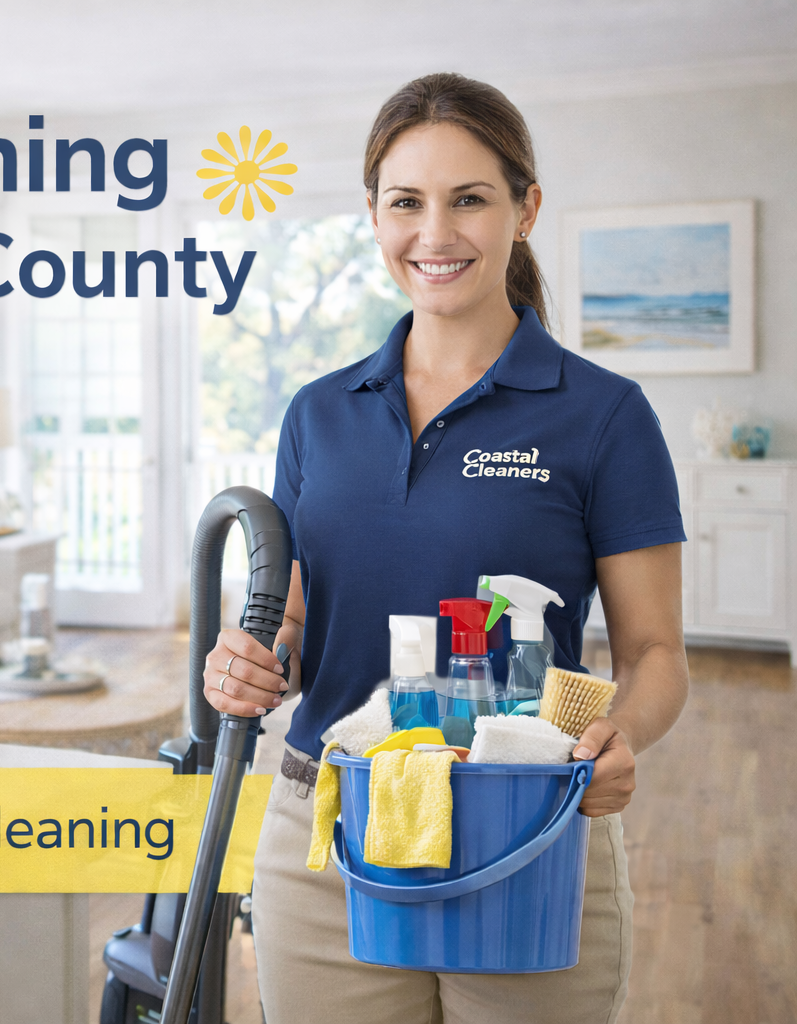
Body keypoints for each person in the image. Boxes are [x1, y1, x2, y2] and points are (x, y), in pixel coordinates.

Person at [204, 73, 689, 1024]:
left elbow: (655, 654)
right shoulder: (320, 414)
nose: (436, 233)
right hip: (329, 827)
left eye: (469, 198)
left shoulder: (604, 417)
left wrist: (620, 732)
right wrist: (252, 660)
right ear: (375, 218)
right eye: (406, 202)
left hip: (522, 821)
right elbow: (299, 621)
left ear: (525, 210)